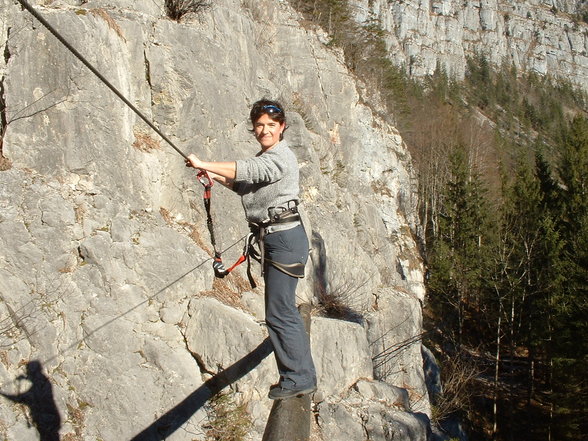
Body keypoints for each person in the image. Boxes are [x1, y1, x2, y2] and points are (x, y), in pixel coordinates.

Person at [186, 99, 317, 400]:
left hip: (283, 238)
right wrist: (214, 176)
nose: (264, 130)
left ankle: (299, 377)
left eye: (271, 125)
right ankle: (299, 374)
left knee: (279, 311)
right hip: (278, 238)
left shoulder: (279, 156)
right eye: (259, 125)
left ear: (282, 127)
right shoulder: (269, 156)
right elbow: (247, 184)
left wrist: (205, 163)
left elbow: (250, 170)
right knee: (280, 309)